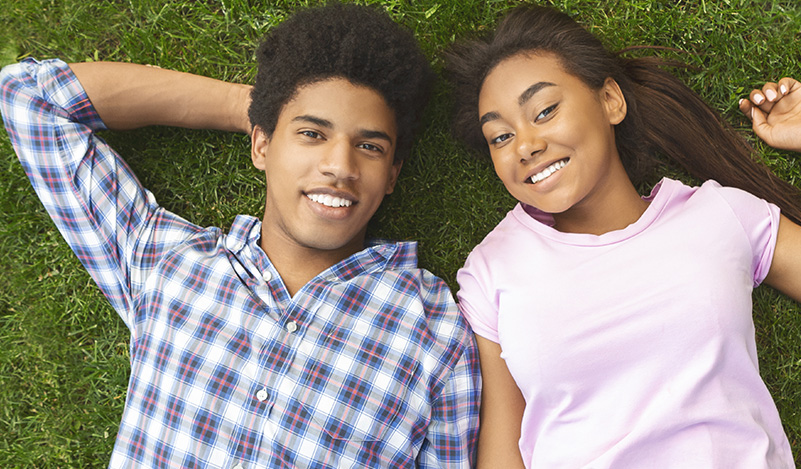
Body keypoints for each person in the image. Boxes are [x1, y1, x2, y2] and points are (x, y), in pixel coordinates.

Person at [0, 4, 479, 468]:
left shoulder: (434, 329)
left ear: (392, 174)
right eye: (311, 133)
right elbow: (29, 98)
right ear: (262, 145)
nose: (339, 166)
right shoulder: (167, 262)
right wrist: (248, 107)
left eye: (369, 146)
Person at [445, 5, 801, 468]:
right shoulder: (494, 269)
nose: (524, 146)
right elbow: (503, 452)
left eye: (545, 111)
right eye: (499, 137)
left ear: (610, 101)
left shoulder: (719, 217)